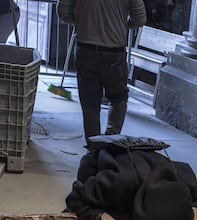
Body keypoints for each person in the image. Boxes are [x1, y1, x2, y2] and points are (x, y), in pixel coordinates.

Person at [65, 135, 197, 220]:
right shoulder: (117, 183)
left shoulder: (185, 179)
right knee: (87, 215)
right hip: (102, 162)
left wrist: (193, 215)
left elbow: (195, 197)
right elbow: (75, 198)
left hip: (143, 161)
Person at [57, 0, 147, 140]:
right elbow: (140, 18)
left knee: (90, 105)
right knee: (118, 98)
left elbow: (63, 13)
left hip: (85, 49)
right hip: (114, 51)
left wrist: (83, 21)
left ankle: (94, 150)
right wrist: (122, 25)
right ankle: (111, 142)